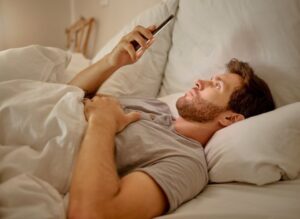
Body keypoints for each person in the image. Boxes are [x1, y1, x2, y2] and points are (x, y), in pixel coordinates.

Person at [67, 25, 275, 219]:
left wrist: (102, 123)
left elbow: (92, 213)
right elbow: (68, 95)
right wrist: (113, 61)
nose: (199, 82)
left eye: (216, 85)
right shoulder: (156, 107)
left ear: (230, 118)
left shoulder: (187, 163)